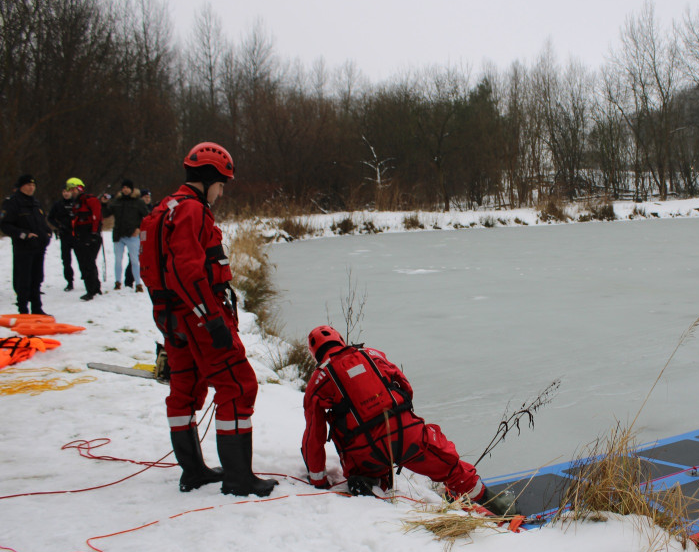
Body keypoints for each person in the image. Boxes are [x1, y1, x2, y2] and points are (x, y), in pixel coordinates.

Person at [139, 141, 277, 497]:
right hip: (198, 316)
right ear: (209, 178)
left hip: (172, 317)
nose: (222, 191)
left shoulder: (162, 211)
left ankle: (194, 471)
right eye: (222, 184)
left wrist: (170, 316)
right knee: (239, 385)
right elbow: (186, 270)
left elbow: (156, 270)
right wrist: (211, 319)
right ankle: (238, 479)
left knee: (185, 388)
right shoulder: (192, 211)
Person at [301, 325, 516, 515]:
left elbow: (314, 436)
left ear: (315, 355)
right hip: (406, 434)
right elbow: (405, 385)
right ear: (340, 340)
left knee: (363, 470)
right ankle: (497, 504)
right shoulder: (372, 354)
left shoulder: (317, 383)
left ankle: (369, 485)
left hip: (363, 451)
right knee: (450, 465)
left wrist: (318, 481)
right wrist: (403, 420)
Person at [0, 175, 51, 314]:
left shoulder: (35, 202)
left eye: (33, 185)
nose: (31, 188)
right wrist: (24, 234)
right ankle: (23, 309)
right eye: (28, 185)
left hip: (39, 247)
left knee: (37, 278)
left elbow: (42, 222)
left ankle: (37, 308)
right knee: (24, 280)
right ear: (21, 186)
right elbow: (5, 225)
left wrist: (47, 233)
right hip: (23, 248)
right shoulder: (12, 203)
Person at [103, 179, 148, 293]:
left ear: (132, 189)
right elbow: (106, 214)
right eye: (123, 188)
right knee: (118, 260)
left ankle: (138, 283)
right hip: (118, 235)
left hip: (132, 235)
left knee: (134, 260)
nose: (125, 190)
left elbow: (147, 217)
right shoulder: (117, 201)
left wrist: (139, 228)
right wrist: (103, 204)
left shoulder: (138, 202)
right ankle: (118, 282)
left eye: (127, 188)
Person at [66, 177, 103, 301]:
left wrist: (94, 234)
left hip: (90, 237)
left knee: (88, 264)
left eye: (73, 189)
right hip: (80, 237)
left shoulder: (90, 200)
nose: (72, 192)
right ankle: (95, 287)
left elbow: (97, 218)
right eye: (70, 190)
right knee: (86, 263)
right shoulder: (76, 203)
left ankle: (91, 290)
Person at [47, 185, 77, 291]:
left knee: (83, 259)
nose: (66, 193)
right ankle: (70, 281)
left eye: (68, 191)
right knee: (66, 260)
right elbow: (50, 218)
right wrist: (59, 226)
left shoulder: (76, 203)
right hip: (65, 235)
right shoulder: (58, 204)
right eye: (64, 191)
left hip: (77, 235)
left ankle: (88, 279)